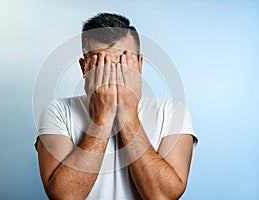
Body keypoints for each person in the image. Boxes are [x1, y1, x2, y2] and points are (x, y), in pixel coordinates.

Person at [35, 13, 198, 200]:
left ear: (139, 64)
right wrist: (101, 118)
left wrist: (127, 114)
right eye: (101, 64)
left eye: (122, 62)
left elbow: (163, 196)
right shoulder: (58, 112)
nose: (112, 73)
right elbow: (65, 196)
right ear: (84, 67)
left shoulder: (173, 113)